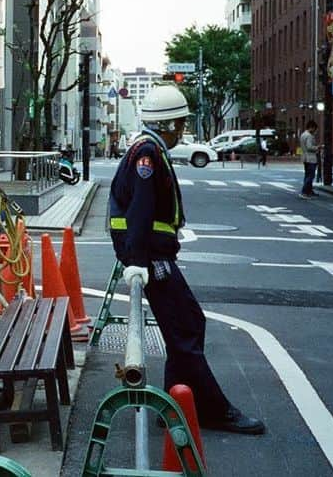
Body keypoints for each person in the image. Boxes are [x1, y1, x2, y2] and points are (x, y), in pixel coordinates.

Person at [109, 84, 266, 435]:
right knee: (184, 330)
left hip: (151, 255)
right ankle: (214, 409)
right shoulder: (148, 153)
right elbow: (140, 210)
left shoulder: (147, 149)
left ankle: (177, 404)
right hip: (151, 258)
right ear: (168, 124)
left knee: (189, 323)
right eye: (180, 123)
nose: (182, 129)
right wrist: (136, 261)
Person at [300, 120, 320, 198]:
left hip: (305, 157)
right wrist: (318, 147)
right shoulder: (309, 136)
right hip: (311, 158)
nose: (315, 131)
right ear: (312, 127)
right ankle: (304, 192)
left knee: (307, 175)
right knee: (310, 176)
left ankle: (309, 191)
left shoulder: (303, 134)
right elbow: (309, 147)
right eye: (315, 129)